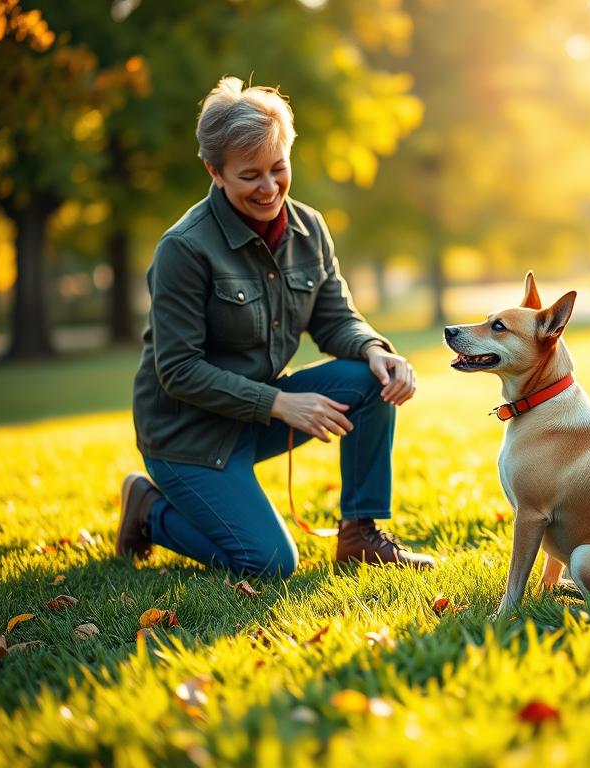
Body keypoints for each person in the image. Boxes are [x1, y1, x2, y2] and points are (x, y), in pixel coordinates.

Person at [116, 76, 434, 577]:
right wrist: (280, 403)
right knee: (269, 564)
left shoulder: (310, 228)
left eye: (278, 169)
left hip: (255, 419)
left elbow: (334, 318)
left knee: (370, 381)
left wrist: (374, 349)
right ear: (215, 171)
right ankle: (149, 510)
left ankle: (360, 536)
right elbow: (177, 370)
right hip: (187, 435)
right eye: (250, 176)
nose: (269, 189)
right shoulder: (184, 248)